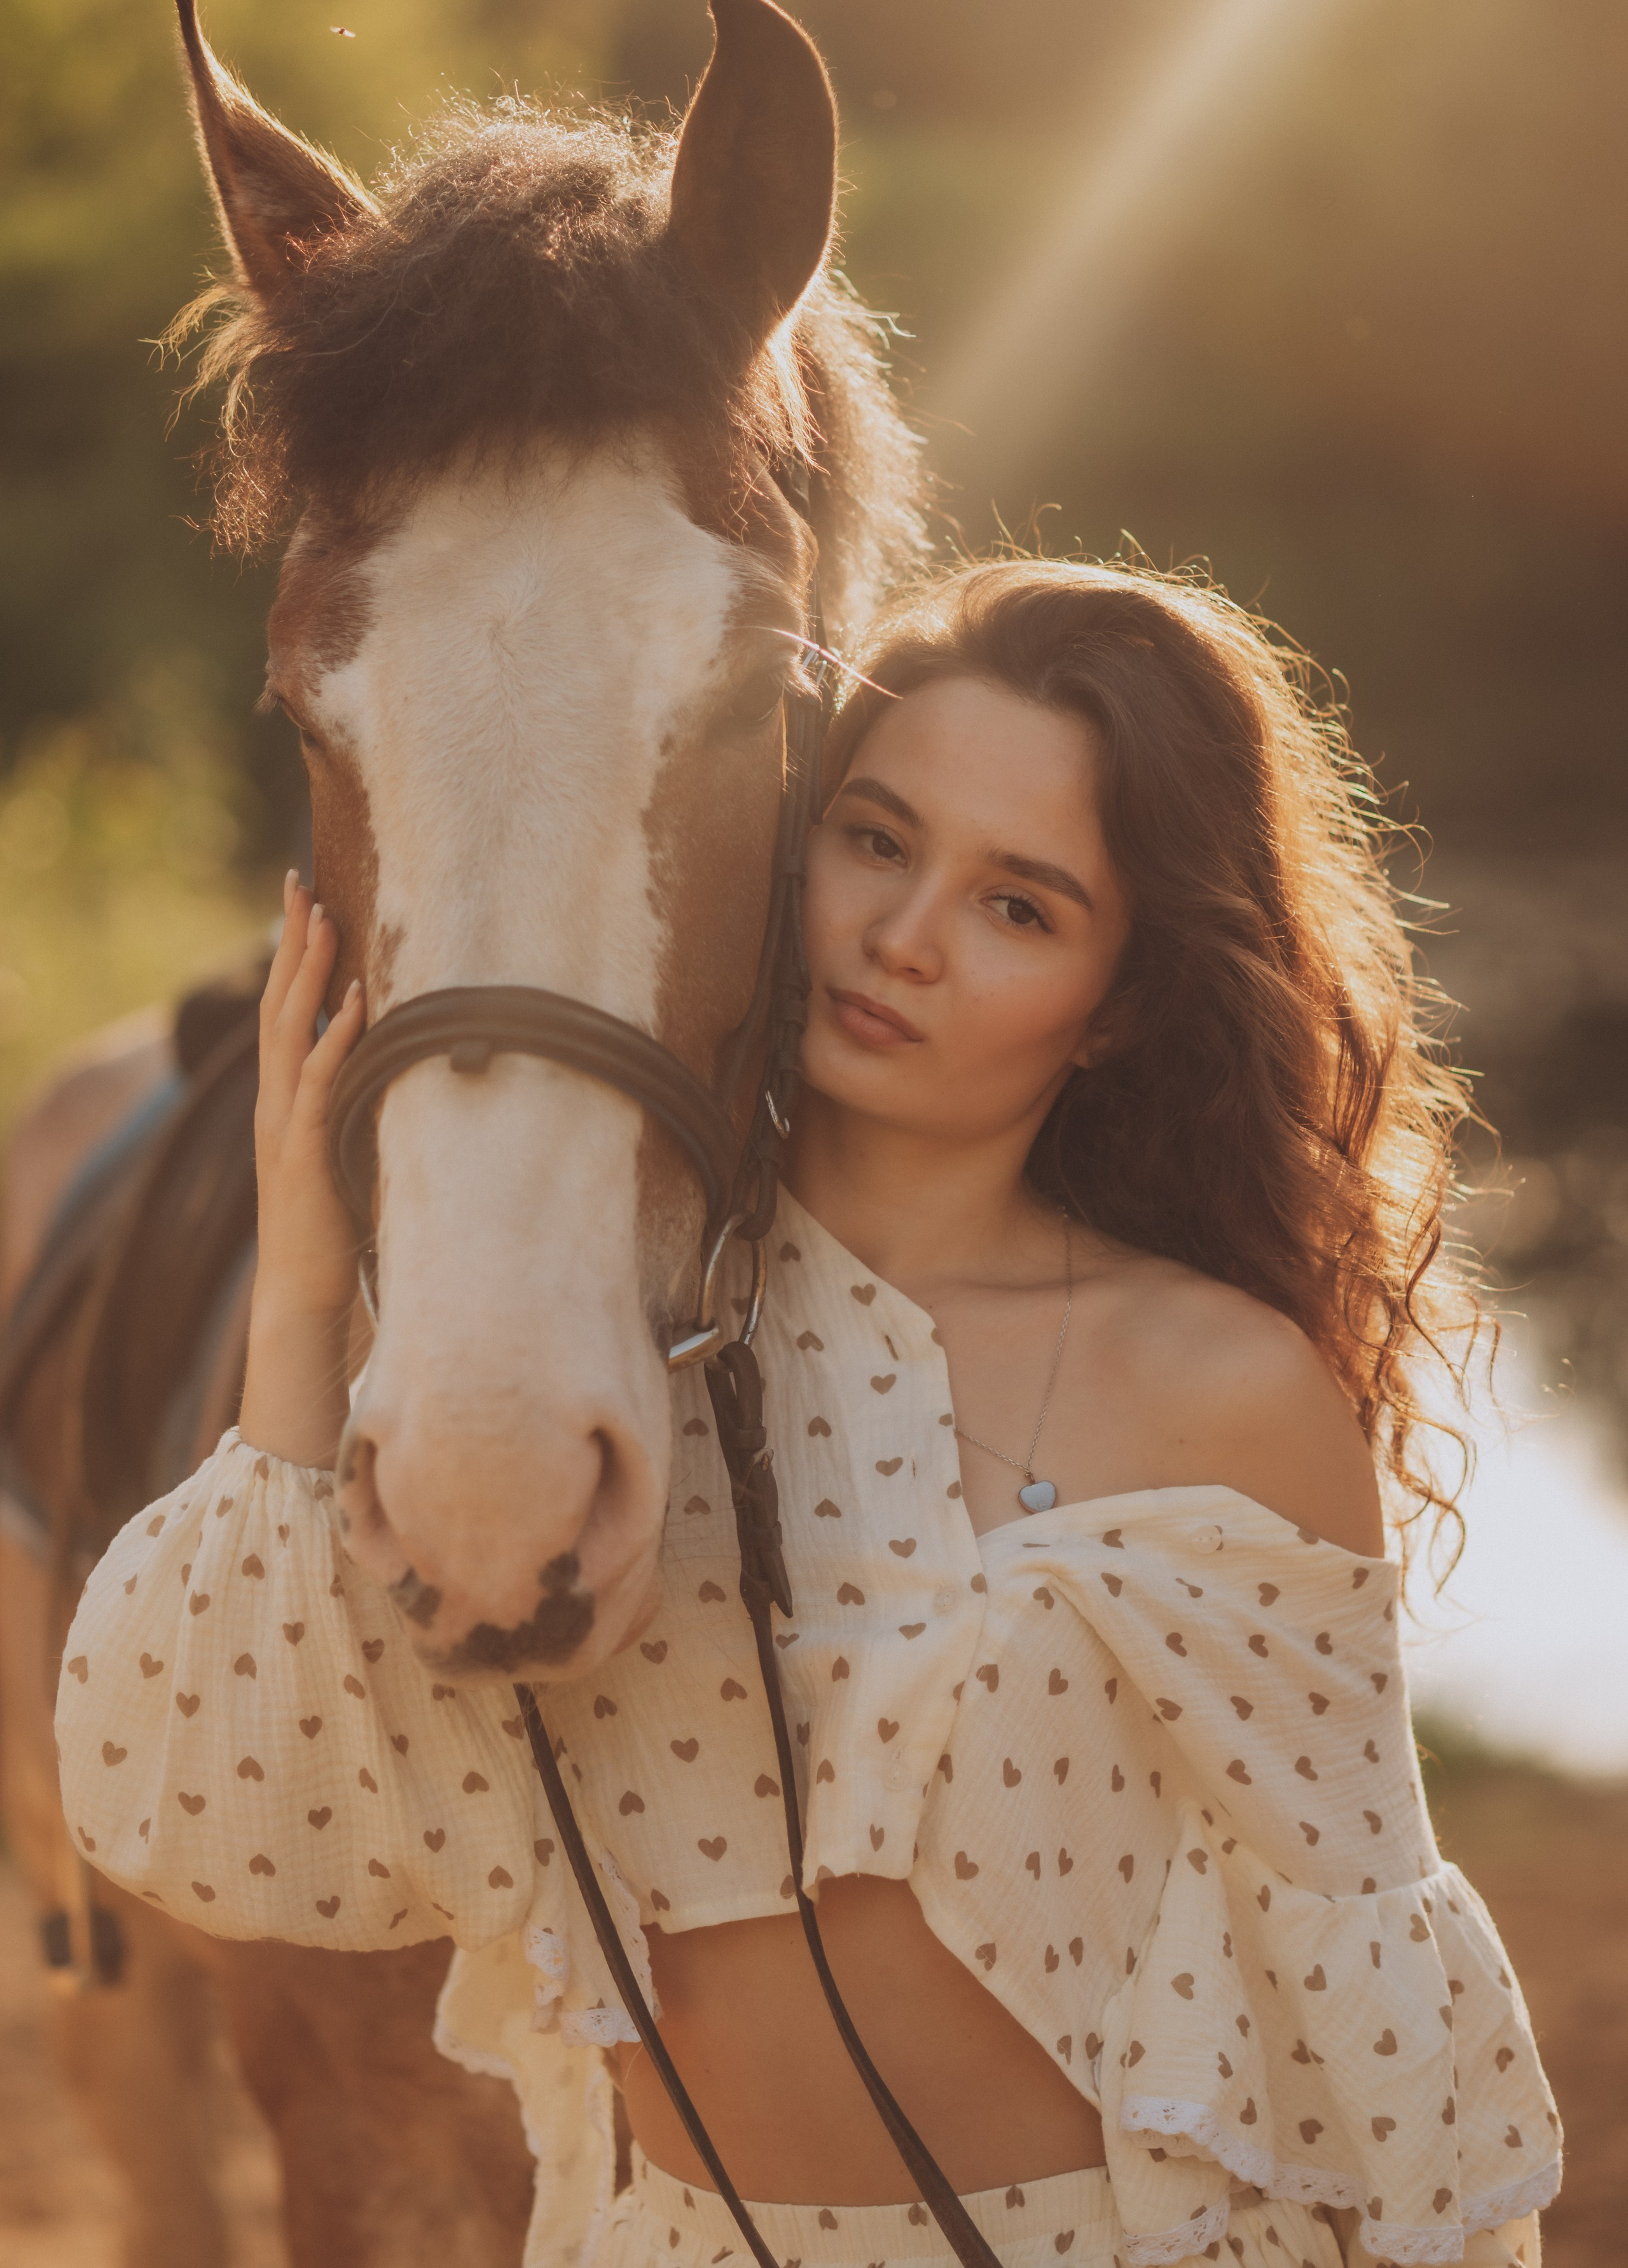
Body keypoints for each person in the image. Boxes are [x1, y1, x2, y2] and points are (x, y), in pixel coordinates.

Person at [57, 561, 1557, 2268]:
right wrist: (310, 1296)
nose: (906, 936)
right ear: (788, 847)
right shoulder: (589, 1371)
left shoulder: (1227, 1390)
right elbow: (223, 1817)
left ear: (1118, 1003)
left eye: (1020, 907)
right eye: (876, 838)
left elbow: (1369, 2022)